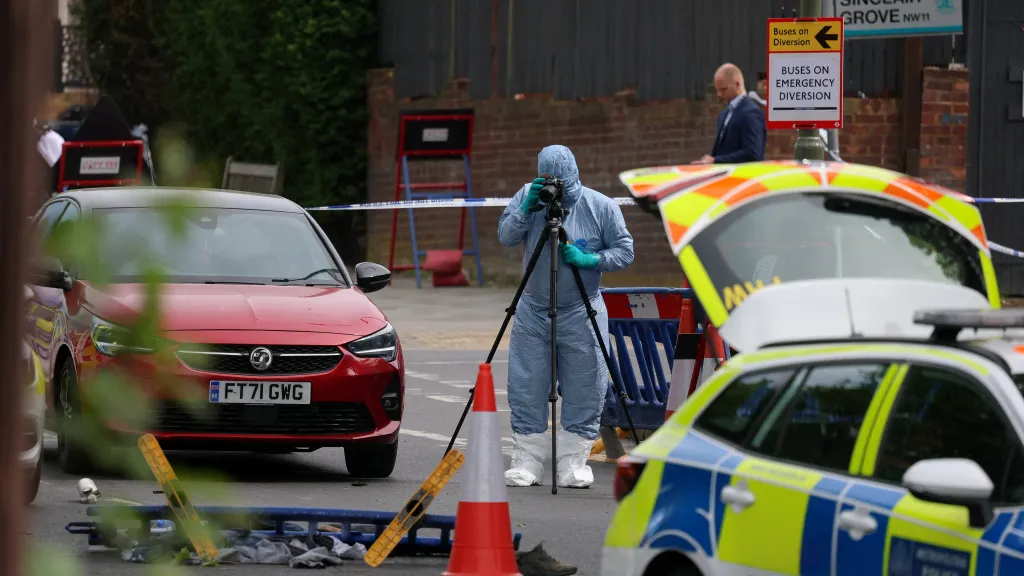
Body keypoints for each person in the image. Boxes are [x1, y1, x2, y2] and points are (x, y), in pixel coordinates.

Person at [498, 144, 634, 489]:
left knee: (586, 384)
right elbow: (506, 236)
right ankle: (527, 459)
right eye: (548, 180)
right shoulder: (528, 197)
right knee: (526, 383)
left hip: (581, 308)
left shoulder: (601, 206)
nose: (555, 189)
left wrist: (592, 260)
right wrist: (526, 211)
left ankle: (574, 460)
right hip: (533, 307)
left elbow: (625, 250)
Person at [692, 63, 766, 165]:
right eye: (717, 90)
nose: (719, 94)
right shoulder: (724, 114)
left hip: (743, 177)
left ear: (737, 84)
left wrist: (716, 160)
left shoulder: (751, 113)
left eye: (723, 89)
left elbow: (753, 153)